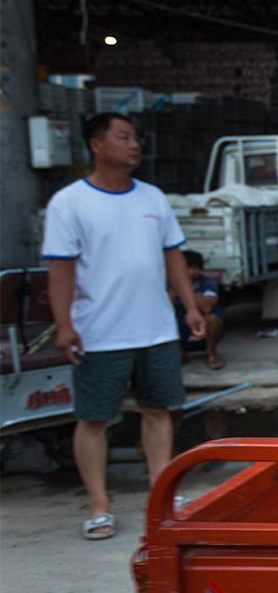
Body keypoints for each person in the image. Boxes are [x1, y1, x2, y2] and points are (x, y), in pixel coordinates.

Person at [42, 112, 205, 540]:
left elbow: (174, 256)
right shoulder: (70, 203)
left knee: (159, 410)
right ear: (97, 145)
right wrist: (63, 325)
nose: (134, 145)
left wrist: (190, 307)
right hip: (99, 331)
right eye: (124, 137)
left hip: (155, 328)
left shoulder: (152, 198)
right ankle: (99, 505)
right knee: (95, 418)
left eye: (135, 137)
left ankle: (161, 493)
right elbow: (60, 270)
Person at [176, 250, 224, 370]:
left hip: (203, 327)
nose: (192, 272)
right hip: (180, 328)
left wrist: (185, 289)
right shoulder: (170, 283)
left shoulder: (208, 282)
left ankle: (211, 352)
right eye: (187, 268)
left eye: (196, 268)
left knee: (213, 317)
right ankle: (180, 353)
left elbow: (207, 306)